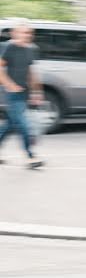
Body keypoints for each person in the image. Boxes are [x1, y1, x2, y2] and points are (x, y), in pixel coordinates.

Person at [0, 19, 43, 168]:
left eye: (30, 32)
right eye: (24, 32)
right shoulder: (8, 47)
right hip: (12, 94)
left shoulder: (30, 49)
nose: (28, 35)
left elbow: (31, 72)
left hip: (24, 92)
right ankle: (30, 156)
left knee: (10, 125)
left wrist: (37, 91)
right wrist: (10, 85)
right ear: (15, 33)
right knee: (23, 124)